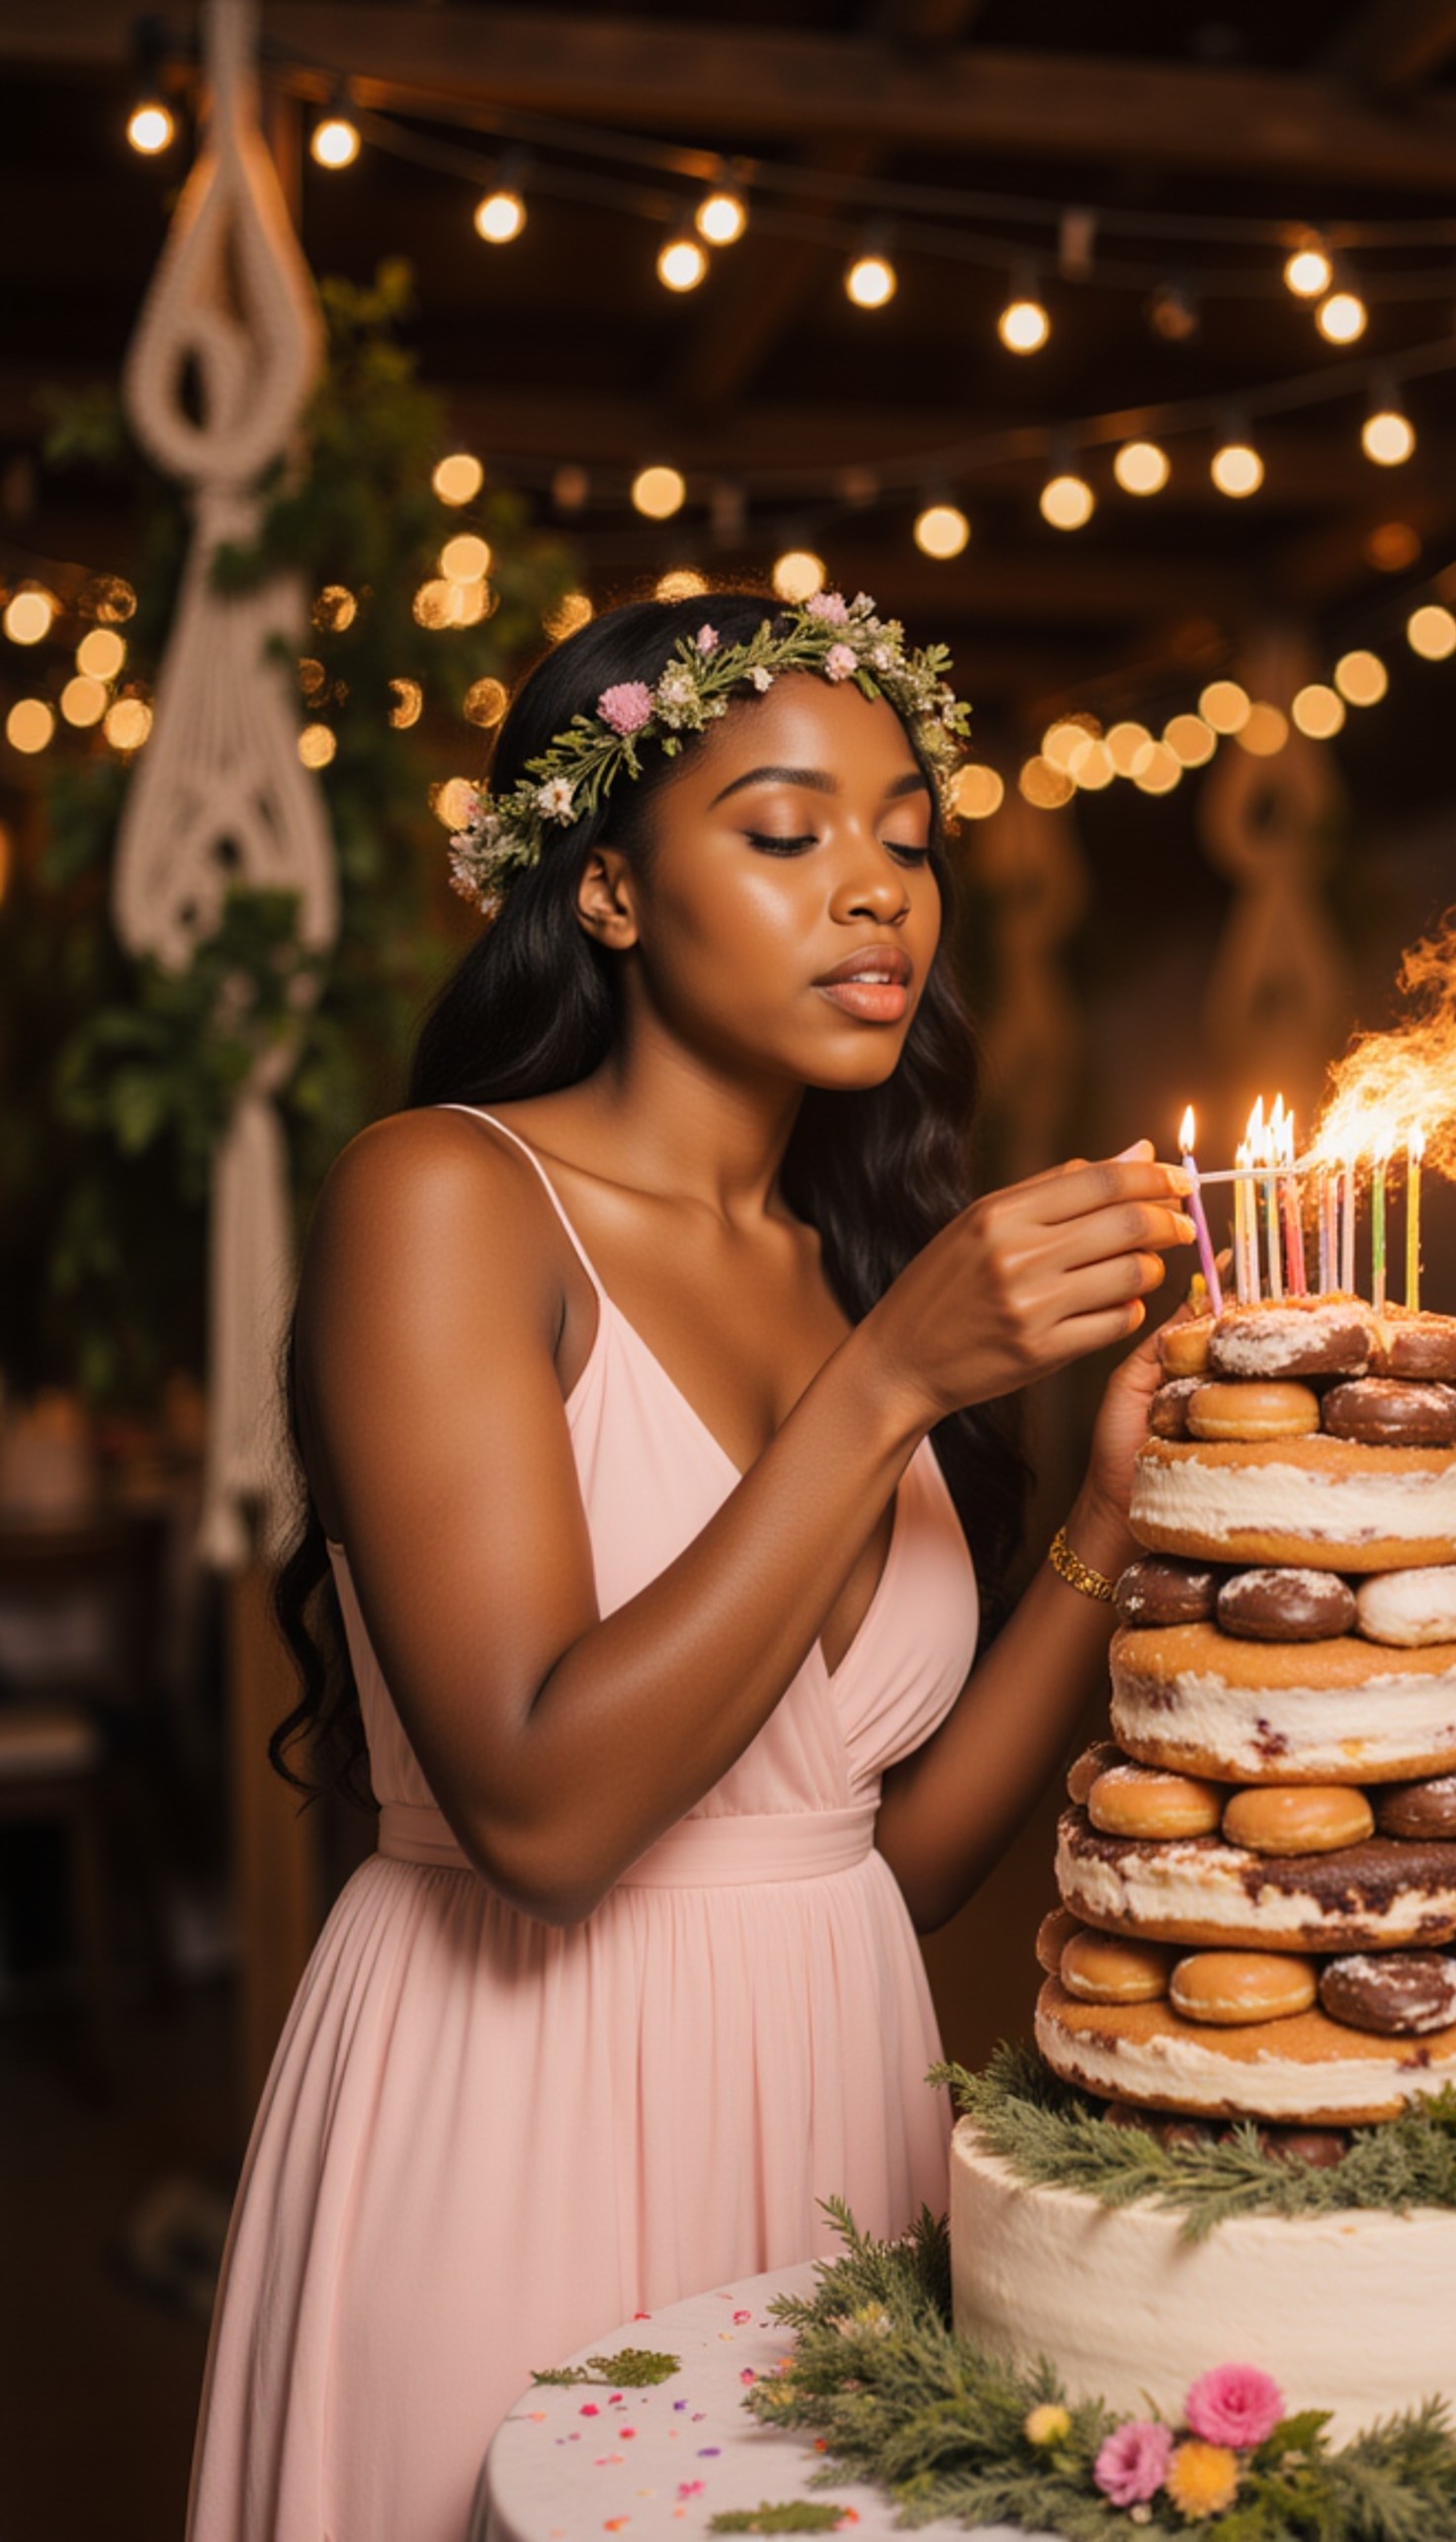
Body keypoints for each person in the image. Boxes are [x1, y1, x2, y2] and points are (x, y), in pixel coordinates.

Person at [185, 590, 1198, 2542]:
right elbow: (544, 1813)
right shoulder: (448, 1195)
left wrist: (1105, 1526)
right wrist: (895, 1372)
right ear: (615, 893)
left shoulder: (841, 1252)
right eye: (786, 829)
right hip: (512, 2119)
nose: (876, 893)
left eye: (907, 838)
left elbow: (865, 1865)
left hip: (836, 2112)